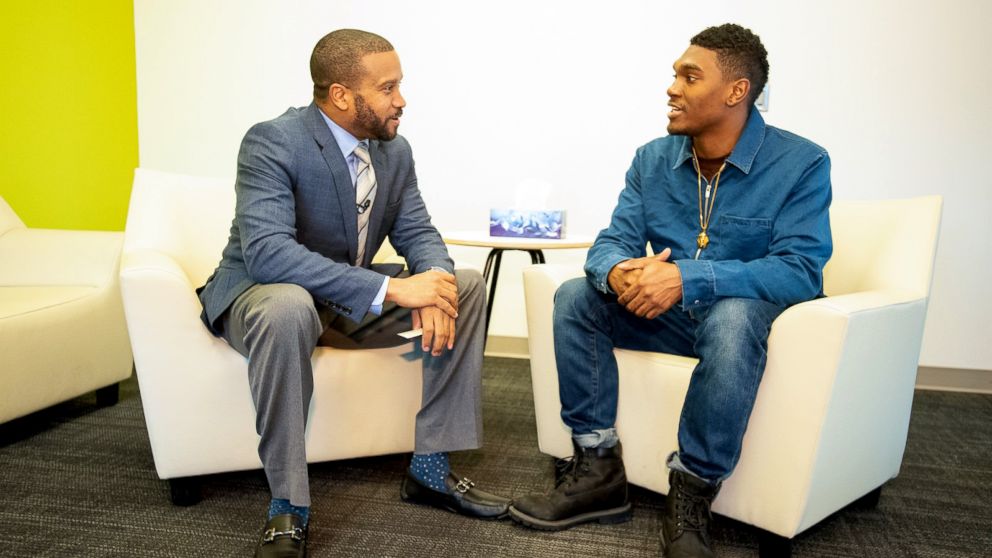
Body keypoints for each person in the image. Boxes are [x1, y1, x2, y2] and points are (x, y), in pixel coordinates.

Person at [508, 23, 832, 558]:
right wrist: (617, 273)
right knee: (576, 296)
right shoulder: (652, 159)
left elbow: (800, 270)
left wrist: (686, 277)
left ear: (736, 91)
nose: (672, 88)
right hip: (669, 323)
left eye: (689, 76)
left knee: (733, 316)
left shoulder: (801, 163)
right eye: (674, 75)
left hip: (742, 335)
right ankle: (596, 469)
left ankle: (691, 494)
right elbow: (612, 242)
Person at [196, 29, 510, 558]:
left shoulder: (394, 151)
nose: (402, 100)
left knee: (465, 285)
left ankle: (431, 468)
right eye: (388, 88)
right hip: (263, 296)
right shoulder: (273, 140)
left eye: (400, 86)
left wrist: (432, 285)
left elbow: (419, 233)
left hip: (341, 300)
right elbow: (268, 255)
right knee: (289, 305)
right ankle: (288, 506)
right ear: (342, 95)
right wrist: (392, 287)